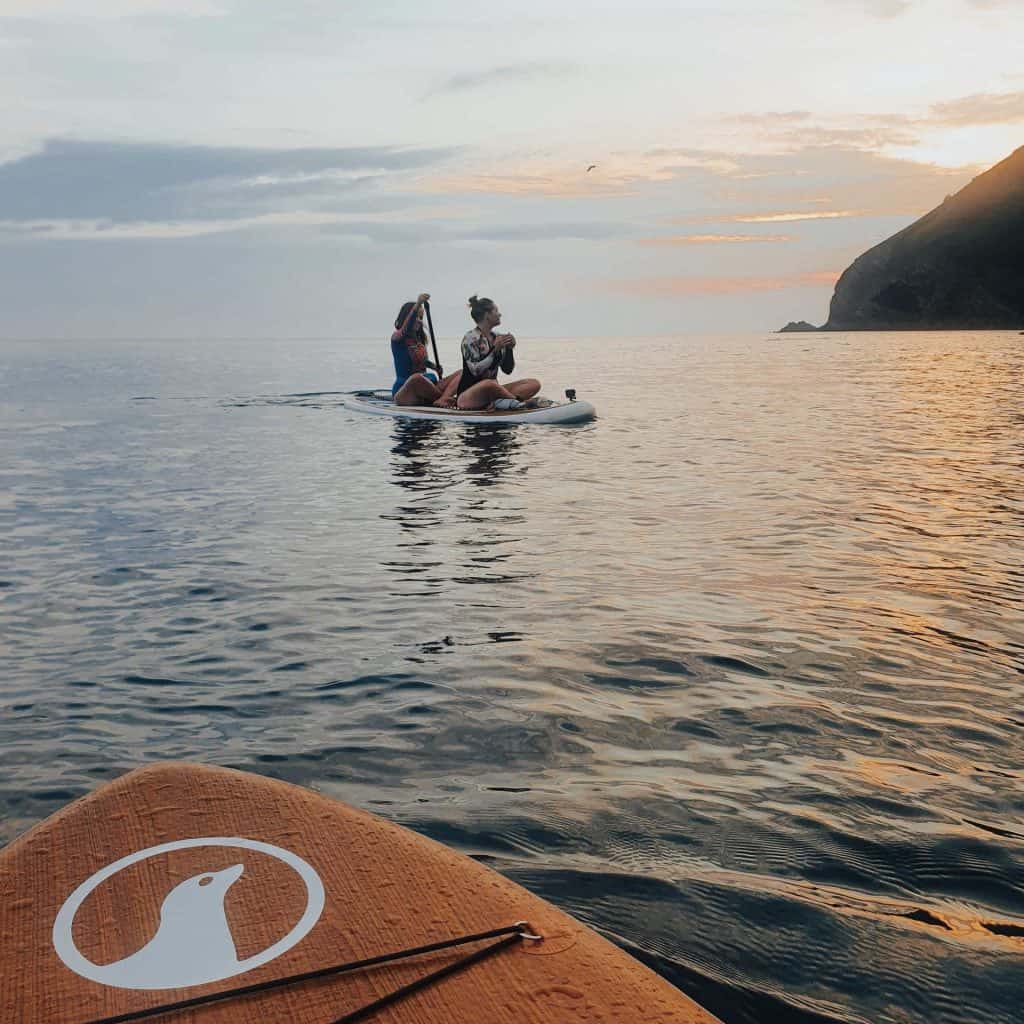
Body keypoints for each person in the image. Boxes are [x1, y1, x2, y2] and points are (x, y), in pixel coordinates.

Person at [455, 295, 541, 411]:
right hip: (468, 397)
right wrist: (495, 350)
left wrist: (509, 349)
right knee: (489, 383)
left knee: (533, 383)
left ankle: (503, 402)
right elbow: (475, 371)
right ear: (487, 315)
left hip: (492, 391)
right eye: (496, 311)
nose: (499, 314)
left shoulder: (497, 337)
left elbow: (507, 370)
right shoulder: (470, 338)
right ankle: (519, 404)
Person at [390, 293, 461, 407]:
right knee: (416, 378)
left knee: (462, 372)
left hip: (427, 385)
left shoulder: (419, 340)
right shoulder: (397, 338)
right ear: (406, 317)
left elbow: (423, 362)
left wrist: (434, 367)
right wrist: (418, 304)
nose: (419, 321)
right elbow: (404, 330)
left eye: (421, 317)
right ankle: (444, 398)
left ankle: (442, 398)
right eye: (416, 317)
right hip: (405, 390)